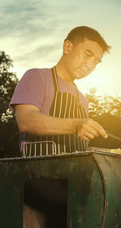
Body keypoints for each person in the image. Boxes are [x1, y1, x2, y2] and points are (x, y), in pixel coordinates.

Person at [9, 26, 110, 155]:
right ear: (67, 47)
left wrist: (115, 153)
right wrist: (75, 125)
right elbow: (26, 121)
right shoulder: (37, 77)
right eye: (87, 54)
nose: (90, 65)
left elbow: (79, 149)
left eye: (96, 62)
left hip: (75, 173)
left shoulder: (82, 100)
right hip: (38, 172)